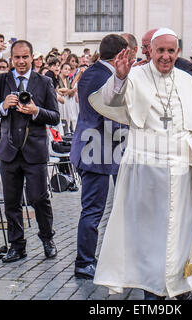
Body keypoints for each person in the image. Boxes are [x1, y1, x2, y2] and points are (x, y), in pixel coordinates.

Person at [89, 28, 192, 300]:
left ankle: (179, 288)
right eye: (160, 50)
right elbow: (112, 100)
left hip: (183, 172)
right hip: (145, 173)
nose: (165, 56)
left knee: (182, 233)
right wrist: (120, 77)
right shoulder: (134, 75)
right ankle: (153, 290)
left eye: (171, 51)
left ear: (178, 52)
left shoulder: (187, 81)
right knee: (148, 238)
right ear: (150, 51)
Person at [0, 40, 60, 263]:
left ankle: (47, 238)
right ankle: (17, 246)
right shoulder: (1, 80)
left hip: (35, 151)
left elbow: (55, 116)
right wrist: (2, 106)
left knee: (39, 198)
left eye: (25, 57)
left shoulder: (44, 82)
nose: (20, 61)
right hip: (8, 150)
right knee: (11, 202)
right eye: (16, 57)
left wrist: (36, 110)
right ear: (11, 58)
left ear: (32, 58)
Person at [70, 34, 129, 281]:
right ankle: (84, 263)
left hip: (104, 150)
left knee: (108, 208)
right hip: (97, 151)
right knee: (93, 210)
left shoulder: (96, 72)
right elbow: (110, 114)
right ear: (120, 55)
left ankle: (102, 258)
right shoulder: (100, 76)